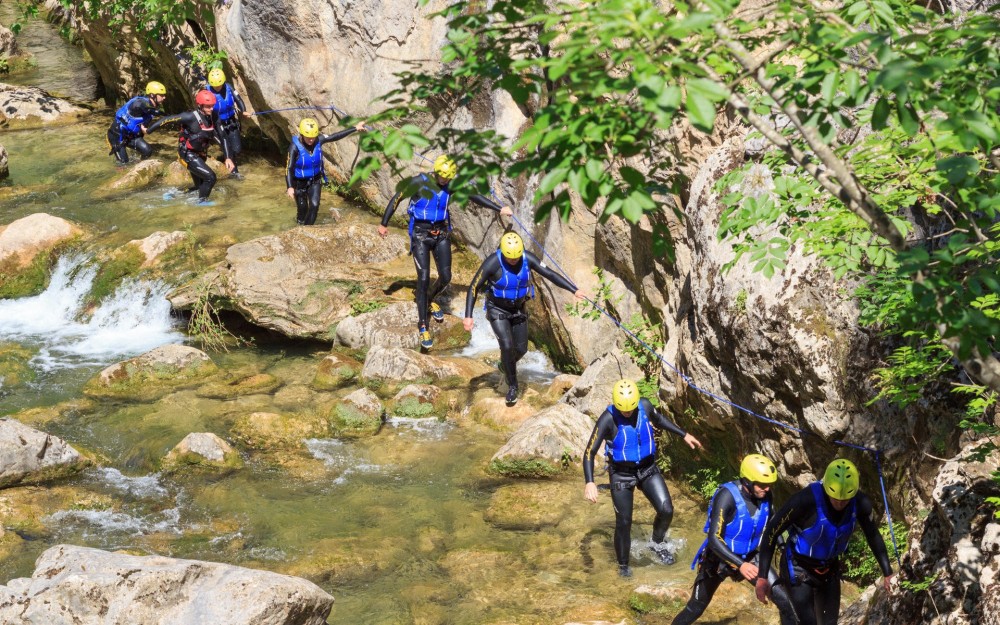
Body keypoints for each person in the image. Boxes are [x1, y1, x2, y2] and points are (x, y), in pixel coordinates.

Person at [377, 155, 514, 350]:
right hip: (421, 234)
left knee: (446, 276)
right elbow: (396, 199)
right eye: (443, 177)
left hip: (440, 233)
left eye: (448, 178)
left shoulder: (451, 184)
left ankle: (429, 298)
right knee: (423, 277)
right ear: (436, 172)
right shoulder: (419, 181)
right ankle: (423, 325)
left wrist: (498, 208)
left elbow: (474, 196)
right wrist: (384, 223)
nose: (445, 181)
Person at [583, 379, 704, 577]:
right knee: (624, 522)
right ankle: (623, 565)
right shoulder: (607, 419)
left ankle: (656, 543)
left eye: (630, 409)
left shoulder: (645, 406)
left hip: (647, 468)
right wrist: (589, 482)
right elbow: (589, 451)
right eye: (624, 410)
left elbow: (660, 420)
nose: (628, 413)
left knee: (666, 509)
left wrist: (683, 434)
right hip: (621, 474)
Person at [754, 459, 894, 625]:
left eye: (845, 499)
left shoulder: (860, 503)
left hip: (829, 569)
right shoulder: (804, 501)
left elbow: (873, 535)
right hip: (798, 568)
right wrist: (762, 577)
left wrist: (887, 571)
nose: (840, 503)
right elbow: (772, 531)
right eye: (835, 498)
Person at [463, 232, 585, 406]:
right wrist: (468, 316)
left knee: (521, 350)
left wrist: (574, 289)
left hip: (519, 309)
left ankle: (505, 365)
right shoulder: (493, 262)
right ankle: (513, 387)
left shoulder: (527, 258)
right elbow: (473, 287)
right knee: (506, 346)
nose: (513, 261)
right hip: (497, 309)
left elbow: (549, 273)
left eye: (516, 257)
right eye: (510, 258)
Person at [673, 454, 797, 625]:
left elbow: (773, 525)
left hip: (751, 556)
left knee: (786, 602)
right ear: (747, 481)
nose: (767, 489)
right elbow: (714, 539)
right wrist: (741, 565)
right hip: (718, 559)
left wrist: (783, 548)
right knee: (695, 608)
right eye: (762, 484)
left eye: (769, 484)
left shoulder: (765, 495)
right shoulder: (726, 497)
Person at [146, 89, 234, 204]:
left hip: (200, 155)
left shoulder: (214, 115)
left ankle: (174, 194)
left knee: (200, 186)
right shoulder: (189, 117)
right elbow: (166, 120)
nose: (211, 109)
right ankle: (201, 203)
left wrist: (228, 157)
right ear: (200, 105)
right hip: (187, 154)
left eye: (212, 106)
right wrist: (148, 130)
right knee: (211, 178)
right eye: (208, 106)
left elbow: (223, 137)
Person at [285, 117, 366, 226]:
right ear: (302, 134)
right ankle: (299, 226)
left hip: (315, 180)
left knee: (314, 205)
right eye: (308, 137)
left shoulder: (319, 139)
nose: (311, 140)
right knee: (303, 210)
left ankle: (308, 229)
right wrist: (290, 187)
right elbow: (289, 168)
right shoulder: (294, 147)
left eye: (313, 137)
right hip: (299, 183)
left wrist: (355, 128)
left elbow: (335, 136)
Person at [205, 68, 251, 179]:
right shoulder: (207, 91)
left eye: (219, 85)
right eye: (215, 85)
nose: (217, 87)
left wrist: (243, 111)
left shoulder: (229, 87)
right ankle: (234, 172)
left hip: (231, 121)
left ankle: (228, 160)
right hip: (216, 123)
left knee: (237, 149)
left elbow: (238, 99)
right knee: (228, 147)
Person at [107, 81, 167, 164]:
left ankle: (138, 167)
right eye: (161, 95)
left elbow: (143, 128)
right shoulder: (140, 102)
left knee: (147, 151)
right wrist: (156, 112)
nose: (164, 97)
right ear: (152, 95)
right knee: (123, 163)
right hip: (116, 135)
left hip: (130, 136)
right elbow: (140, 106)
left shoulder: (151, 108)